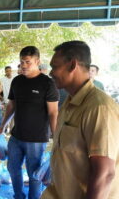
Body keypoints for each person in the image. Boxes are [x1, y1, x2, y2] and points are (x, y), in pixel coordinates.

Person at [41, 41, 119, 199]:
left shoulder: (99, 107)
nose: (51, 73)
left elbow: (105, 174)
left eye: (55, 66)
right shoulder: (70, 103)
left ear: (72, 65)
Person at [0, 46, 59, 199]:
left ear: (37, 61)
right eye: (21, 62)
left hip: (36, 139)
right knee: (12, 168)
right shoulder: (17, 81)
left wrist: (56, 137)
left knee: (34, 173)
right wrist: (2, 126)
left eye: (27, 62)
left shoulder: (48, 84)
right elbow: (12, 105)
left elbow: (53, 112)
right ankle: (18, 195)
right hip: (16, 136)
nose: (23, 65)